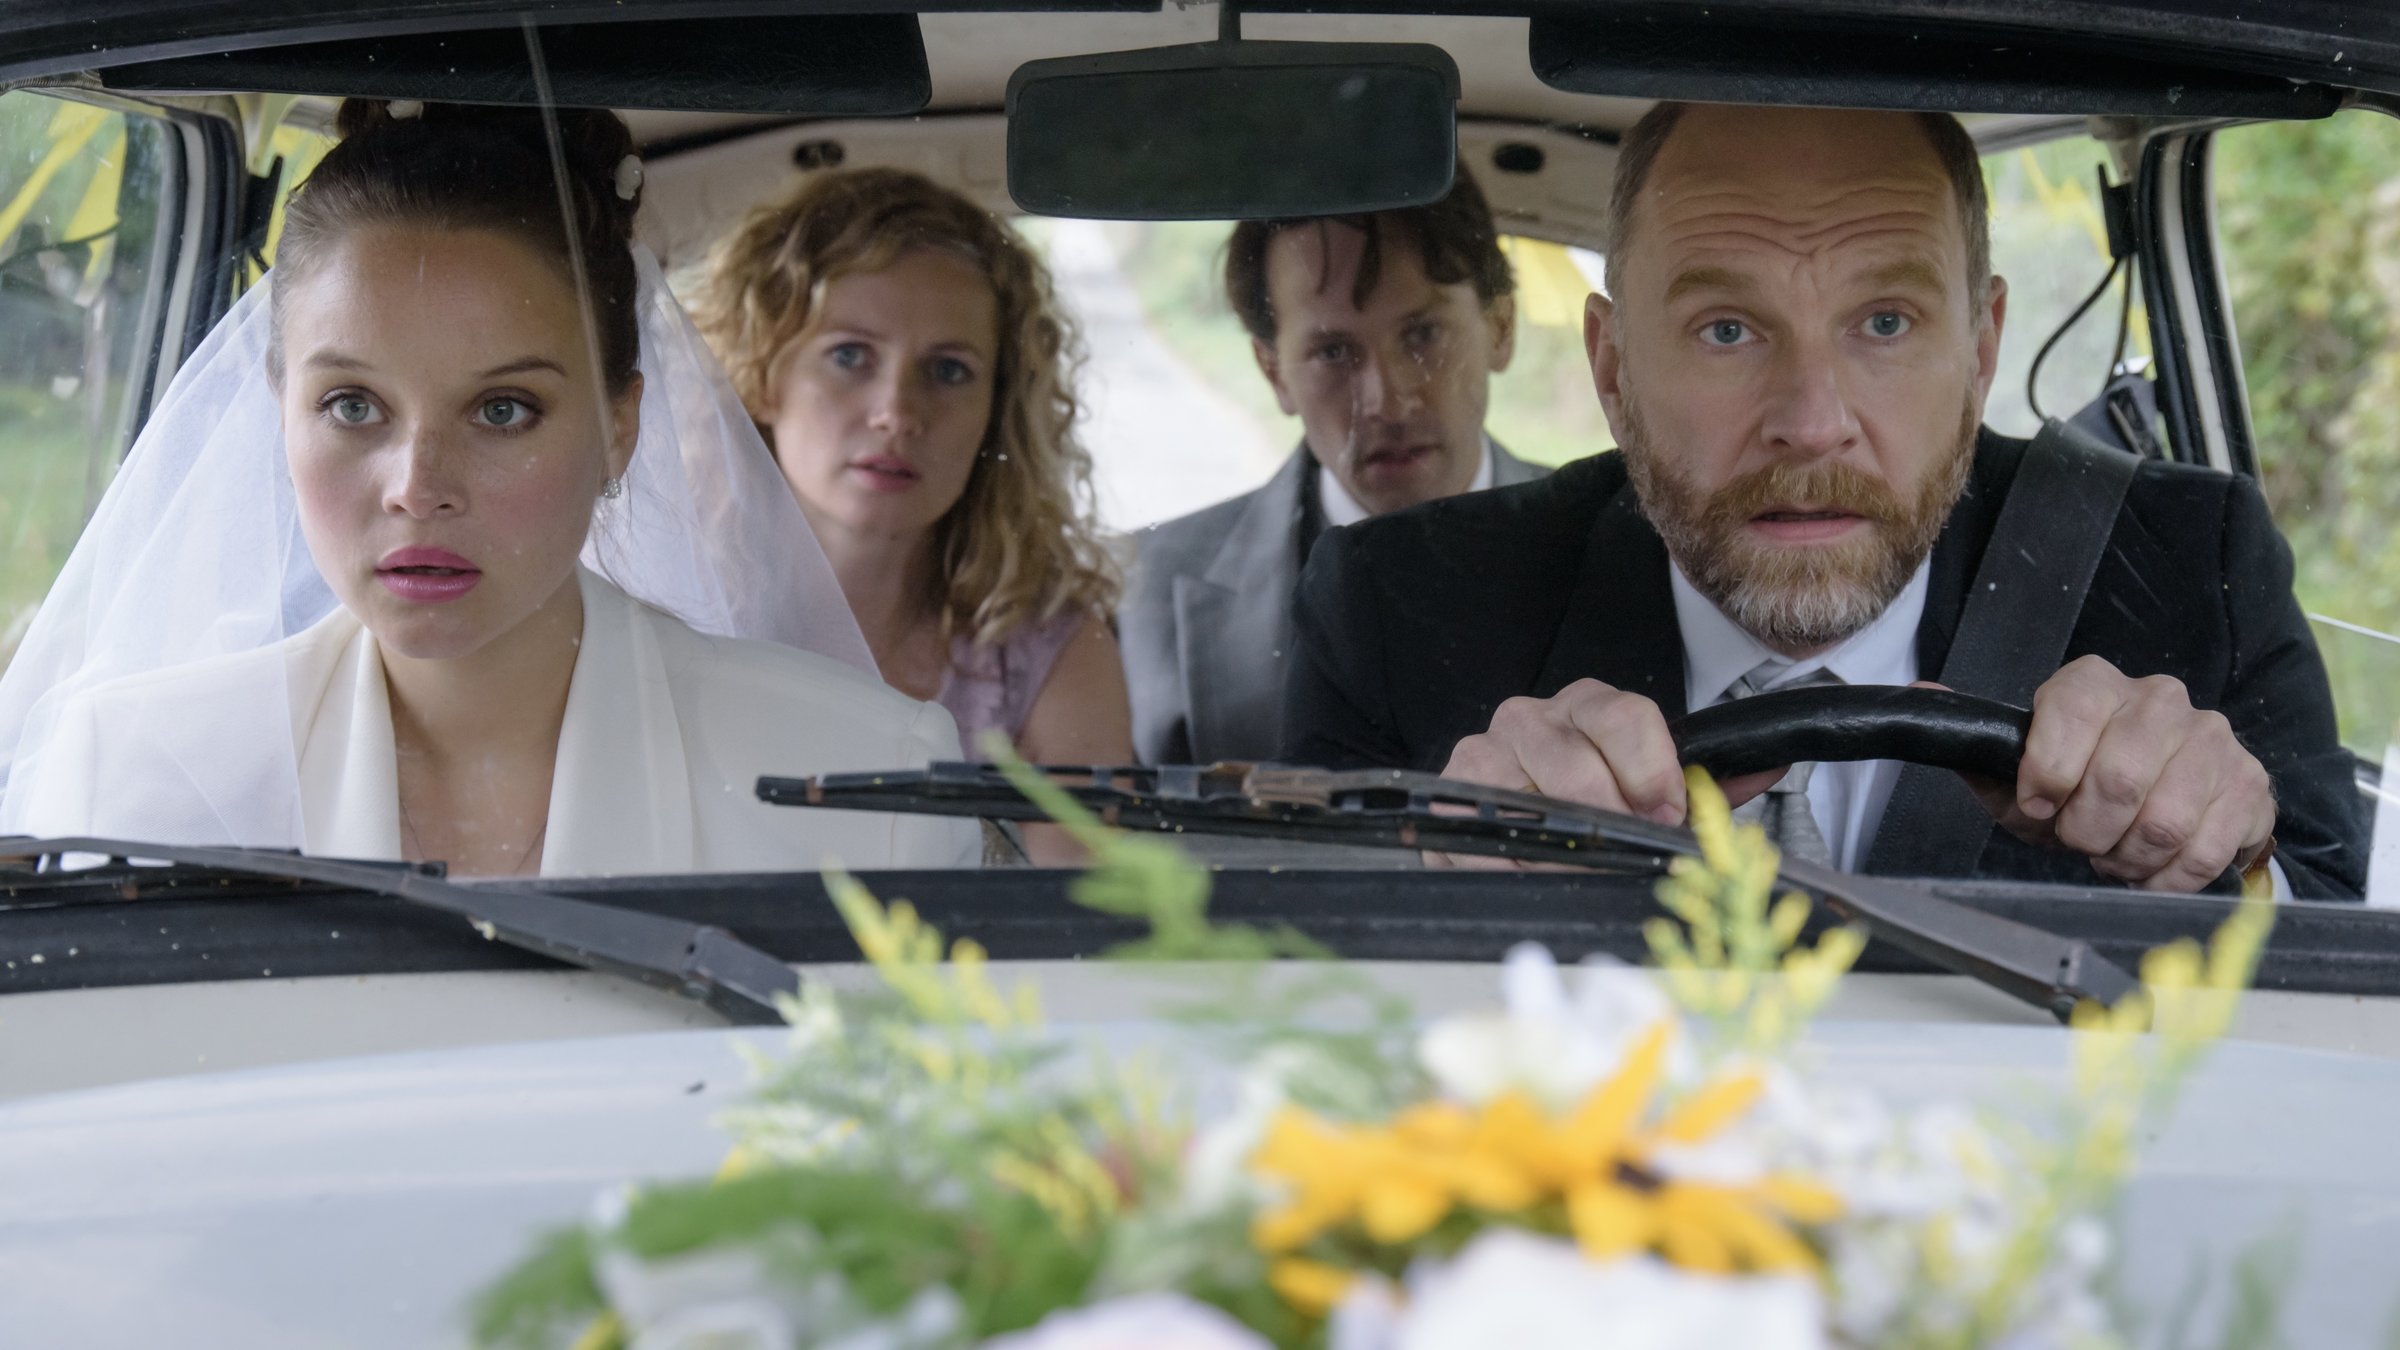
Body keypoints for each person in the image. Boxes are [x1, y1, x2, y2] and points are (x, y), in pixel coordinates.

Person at [1283, 103, 2364, 898]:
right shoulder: (1402, 608)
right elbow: (1282, 1003)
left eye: (1885, 323)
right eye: (1727, 330)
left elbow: (2332, 956)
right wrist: (1428, 872)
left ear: (1983, 351)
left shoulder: (2190, 570)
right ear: (1613, 370)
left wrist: (2224, 851)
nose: (1812, 420)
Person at [0, 100, 978, 876]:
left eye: (503, 411)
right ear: (278, 409)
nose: (418, 488)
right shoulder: (134, 774)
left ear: (619, 430)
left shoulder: (864, 793)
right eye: (352, 405)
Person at [688, 168, 1131, 783]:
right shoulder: (669, 611)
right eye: (850, 356)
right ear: (764, 376)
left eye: (948, 371)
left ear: (995, 410)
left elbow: (1081, 877)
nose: (897, 413)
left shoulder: (1046, 651)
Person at [1119, 166, 1547, 766]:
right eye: (1333, 351)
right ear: (1274, 372)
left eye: (1423, 334)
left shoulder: (1636, 550)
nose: (1387, 401)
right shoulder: (1138, 594)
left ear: (1500, 327)